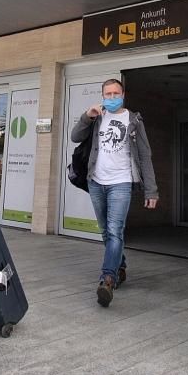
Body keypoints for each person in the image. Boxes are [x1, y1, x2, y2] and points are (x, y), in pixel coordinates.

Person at [70, 78, 158, 308]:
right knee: (106, 232)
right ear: (102, 95)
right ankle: (121, 265)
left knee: (114, 229)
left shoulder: (134, 120)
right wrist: (86, 116)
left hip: (121, 182)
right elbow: (75, 137)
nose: (111, 98)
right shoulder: (97, 117)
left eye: (115, 93)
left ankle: (107, 279)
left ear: (123, 94)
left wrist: (152, 190)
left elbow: (145, 156)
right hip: (96, 182)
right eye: (107, 94)